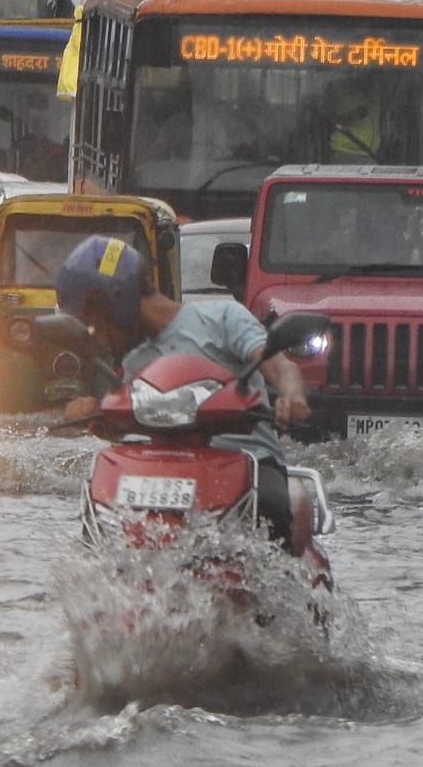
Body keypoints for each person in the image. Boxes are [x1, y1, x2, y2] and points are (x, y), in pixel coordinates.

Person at [58, 234, 309, 547]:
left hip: (250, 462)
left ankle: (280, 586)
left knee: (273, 512)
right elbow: (132, 422)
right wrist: (96, 416)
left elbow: (278, 365)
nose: (96, 336)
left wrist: (291, 397)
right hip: (169, 473)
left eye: (95, 323)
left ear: (116, 302)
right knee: (100, 520)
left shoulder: (221, 318)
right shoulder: (135, 362)